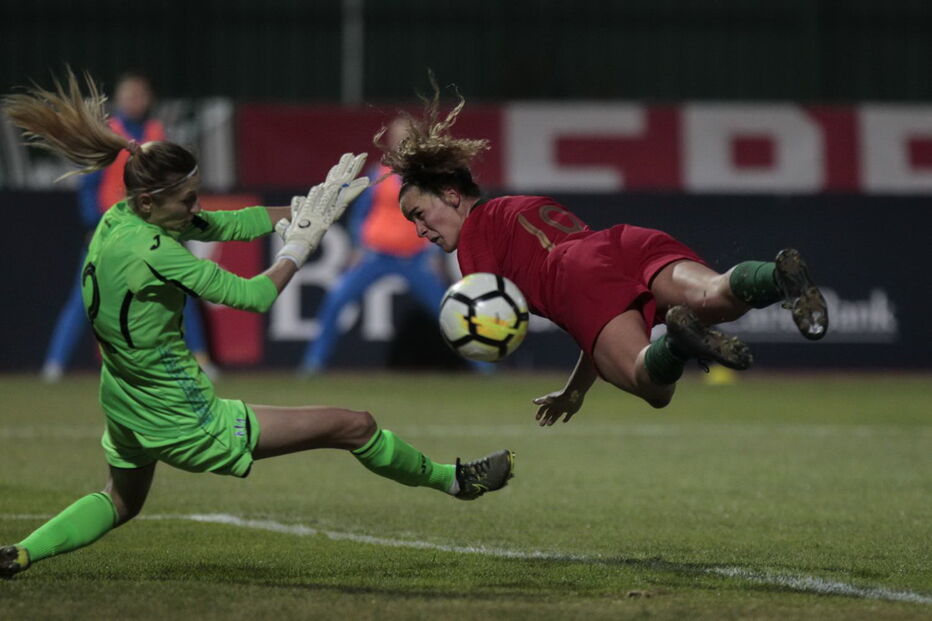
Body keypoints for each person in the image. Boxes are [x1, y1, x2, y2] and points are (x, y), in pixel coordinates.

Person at [0, 71, 514, 580]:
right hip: (183, 414)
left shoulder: (122, 219)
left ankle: (18, 554)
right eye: (187, 200)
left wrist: (306, 209)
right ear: (150, 202)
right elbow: (254, 296)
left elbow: (226, 222)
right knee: (354, 424)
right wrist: (298, 246)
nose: (196, 208)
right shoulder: (156, 251)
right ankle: (454, 481)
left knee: (120, 500)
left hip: (126, 401)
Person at [377, 84, 829, 426]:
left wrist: (484, 342)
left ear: (452, 195)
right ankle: (777, 275)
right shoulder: (519, 206)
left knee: (652, 385)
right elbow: (597, 306)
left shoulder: (475, 240)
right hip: (620, 242)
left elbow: (513, 316)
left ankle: (675, 340)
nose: (419, 230)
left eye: (419, 213)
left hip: (577, 275)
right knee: (715, 296)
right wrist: (576, 392)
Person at [40, 71, 218, 382]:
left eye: (140, 95)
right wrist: (94, 225)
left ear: (148, 99)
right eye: (130, 95)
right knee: (84, 296)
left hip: (153, 230)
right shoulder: (109, 134)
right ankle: (54, 365)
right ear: (120, 100)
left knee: (182, 291)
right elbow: (89, 184)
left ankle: (202, 359)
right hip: (113, 228)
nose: (135, 101)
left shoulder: (157, 132)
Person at [299, 118, 454, 375]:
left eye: (407, 136)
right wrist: (357, 245)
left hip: (414, 257)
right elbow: (360, 214)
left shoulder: (430, 178)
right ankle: (313, 364)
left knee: (448, 312)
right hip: (376, 256)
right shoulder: (377, 174)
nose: (402, 141)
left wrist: (435, 252)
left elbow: (439, 218)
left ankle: (484, 366)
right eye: (397, 137)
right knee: (337, 300)